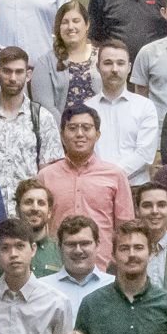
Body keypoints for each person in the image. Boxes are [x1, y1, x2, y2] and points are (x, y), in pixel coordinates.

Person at [31, 106, 133, 269]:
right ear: (62, 135)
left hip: (102, 267)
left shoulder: (115, 176)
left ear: (97, 135)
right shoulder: (45, 176)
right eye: (72, 128)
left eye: (86, 128)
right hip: (55, 266)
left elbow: (125, 228)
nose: (79, 134)